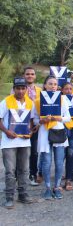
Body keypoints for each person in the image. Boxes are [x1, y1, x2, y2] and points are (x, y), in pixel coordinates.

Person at [34, 76, 71, 199]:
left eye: (55, 84)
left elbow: (68, 118)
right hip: (45, 133)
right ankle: (48, 188)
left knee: (59, 162)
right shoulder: (38, 101)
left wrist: (57, 118)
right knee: (47, 162)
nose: (53, 86)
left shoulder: (62, 99)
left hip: (59, 132)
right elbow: (34, 119)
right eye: (50, 84)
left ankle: (57, 187)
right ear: (45, 85)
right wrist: (42, 120)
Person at [0, 77, 35, 209]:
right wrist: (7, 131)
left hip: (24, 142)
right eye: (18, 88)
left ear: (26, 89)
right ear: (14, 89)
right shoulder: (6, 102)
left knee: (24, 170)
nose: (20, 91)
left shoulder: (30, 103)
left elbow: (31, 121)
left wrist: (30, 132)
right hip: (9, 143)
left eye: (23, 88)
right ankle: (9, 197)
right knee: (10, 171)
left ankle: (23, 194)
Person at [22, 67, 42, 186]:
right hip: (21, 124)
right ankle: (18, 175)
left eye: (32, 74)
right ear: (24, 75)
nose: (30, 76)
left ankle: (32, 174)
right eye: (27, 74)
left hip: (36, 125)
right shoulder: (18, 89)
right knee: (21, 151)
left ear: (35, 76)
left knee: (34, 151)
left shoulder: (40, 90)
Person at [61, 82, 73, 190]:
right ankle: (59, 179)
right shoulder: (59, 100)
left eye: (70, 89)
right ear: (62, 90)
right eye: (66, 89)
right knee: (60, 156)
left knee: (70, 154)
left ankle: (68, 178)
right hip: (61, 130)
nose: (68, 91)